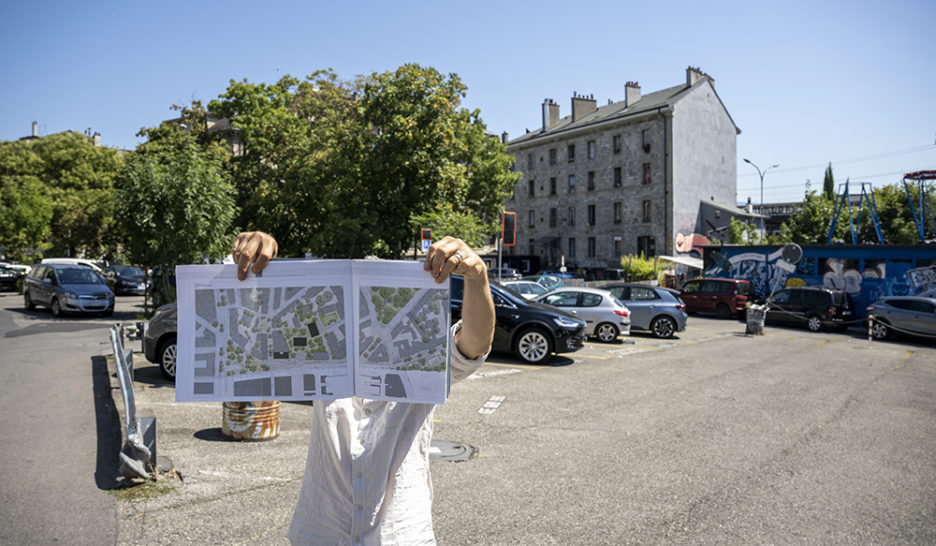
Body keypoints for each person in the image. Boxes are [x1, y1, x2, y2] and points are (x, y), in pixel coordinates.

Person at [231, 231, 495, 545]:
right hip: (321, 530)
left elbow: (474, 344)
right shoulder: (322, 350)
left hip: (400, 533)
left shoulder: (421, 354)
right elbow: (254, 333)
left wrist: (477, 275)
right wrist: (260, 254)